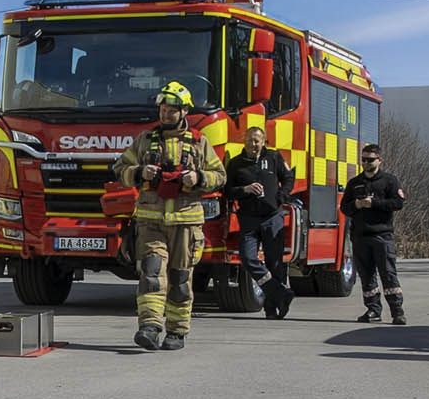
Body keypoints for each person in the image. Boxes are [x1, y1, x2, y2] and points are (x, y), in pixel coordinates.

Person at [111, 81, 225, 351]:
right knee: (151, 274)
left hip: (186, 224)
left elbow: (219, 176)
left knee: (180, 280)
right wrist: (139, 172)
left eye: (171, 110)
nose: (165, 114)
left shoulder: (199, 142)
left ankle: (177, 332)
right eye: (162, 108)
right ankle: (149, 327)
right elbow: (119, 168)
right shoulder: (145, 139)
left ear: (184, 111)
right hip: (151, 221)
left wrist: (197, 177)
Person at [225, 122, 295, 318]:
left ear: (264, 141)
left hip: (272, 217)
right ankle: (281, 292)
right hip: (248, 219)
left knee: (274, 263)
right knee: (248, 258)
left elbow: (289, 178)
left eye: (256, 141)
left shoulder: (273, 157)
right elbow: (228, 191)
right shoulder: (236, 163)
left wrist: (280, 197)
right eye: (249, 140)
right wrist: (245, 190)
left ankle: (273, 308)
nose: (252, 144)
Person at [341, 142, 408, 324]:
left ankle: (397, 311)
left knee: (388, 274)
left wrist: (374, 203)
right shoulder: (355, 183)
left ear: (379, 160)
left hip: (382, 235)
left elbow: (398, 203)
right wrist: (357, 204)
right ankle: (373, 309)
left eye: (370, 160)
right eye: (363, 160)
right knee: (366, 275)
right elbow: (344, 208)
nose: (366, 163)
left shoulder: (389, 181)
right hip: (360, 236)